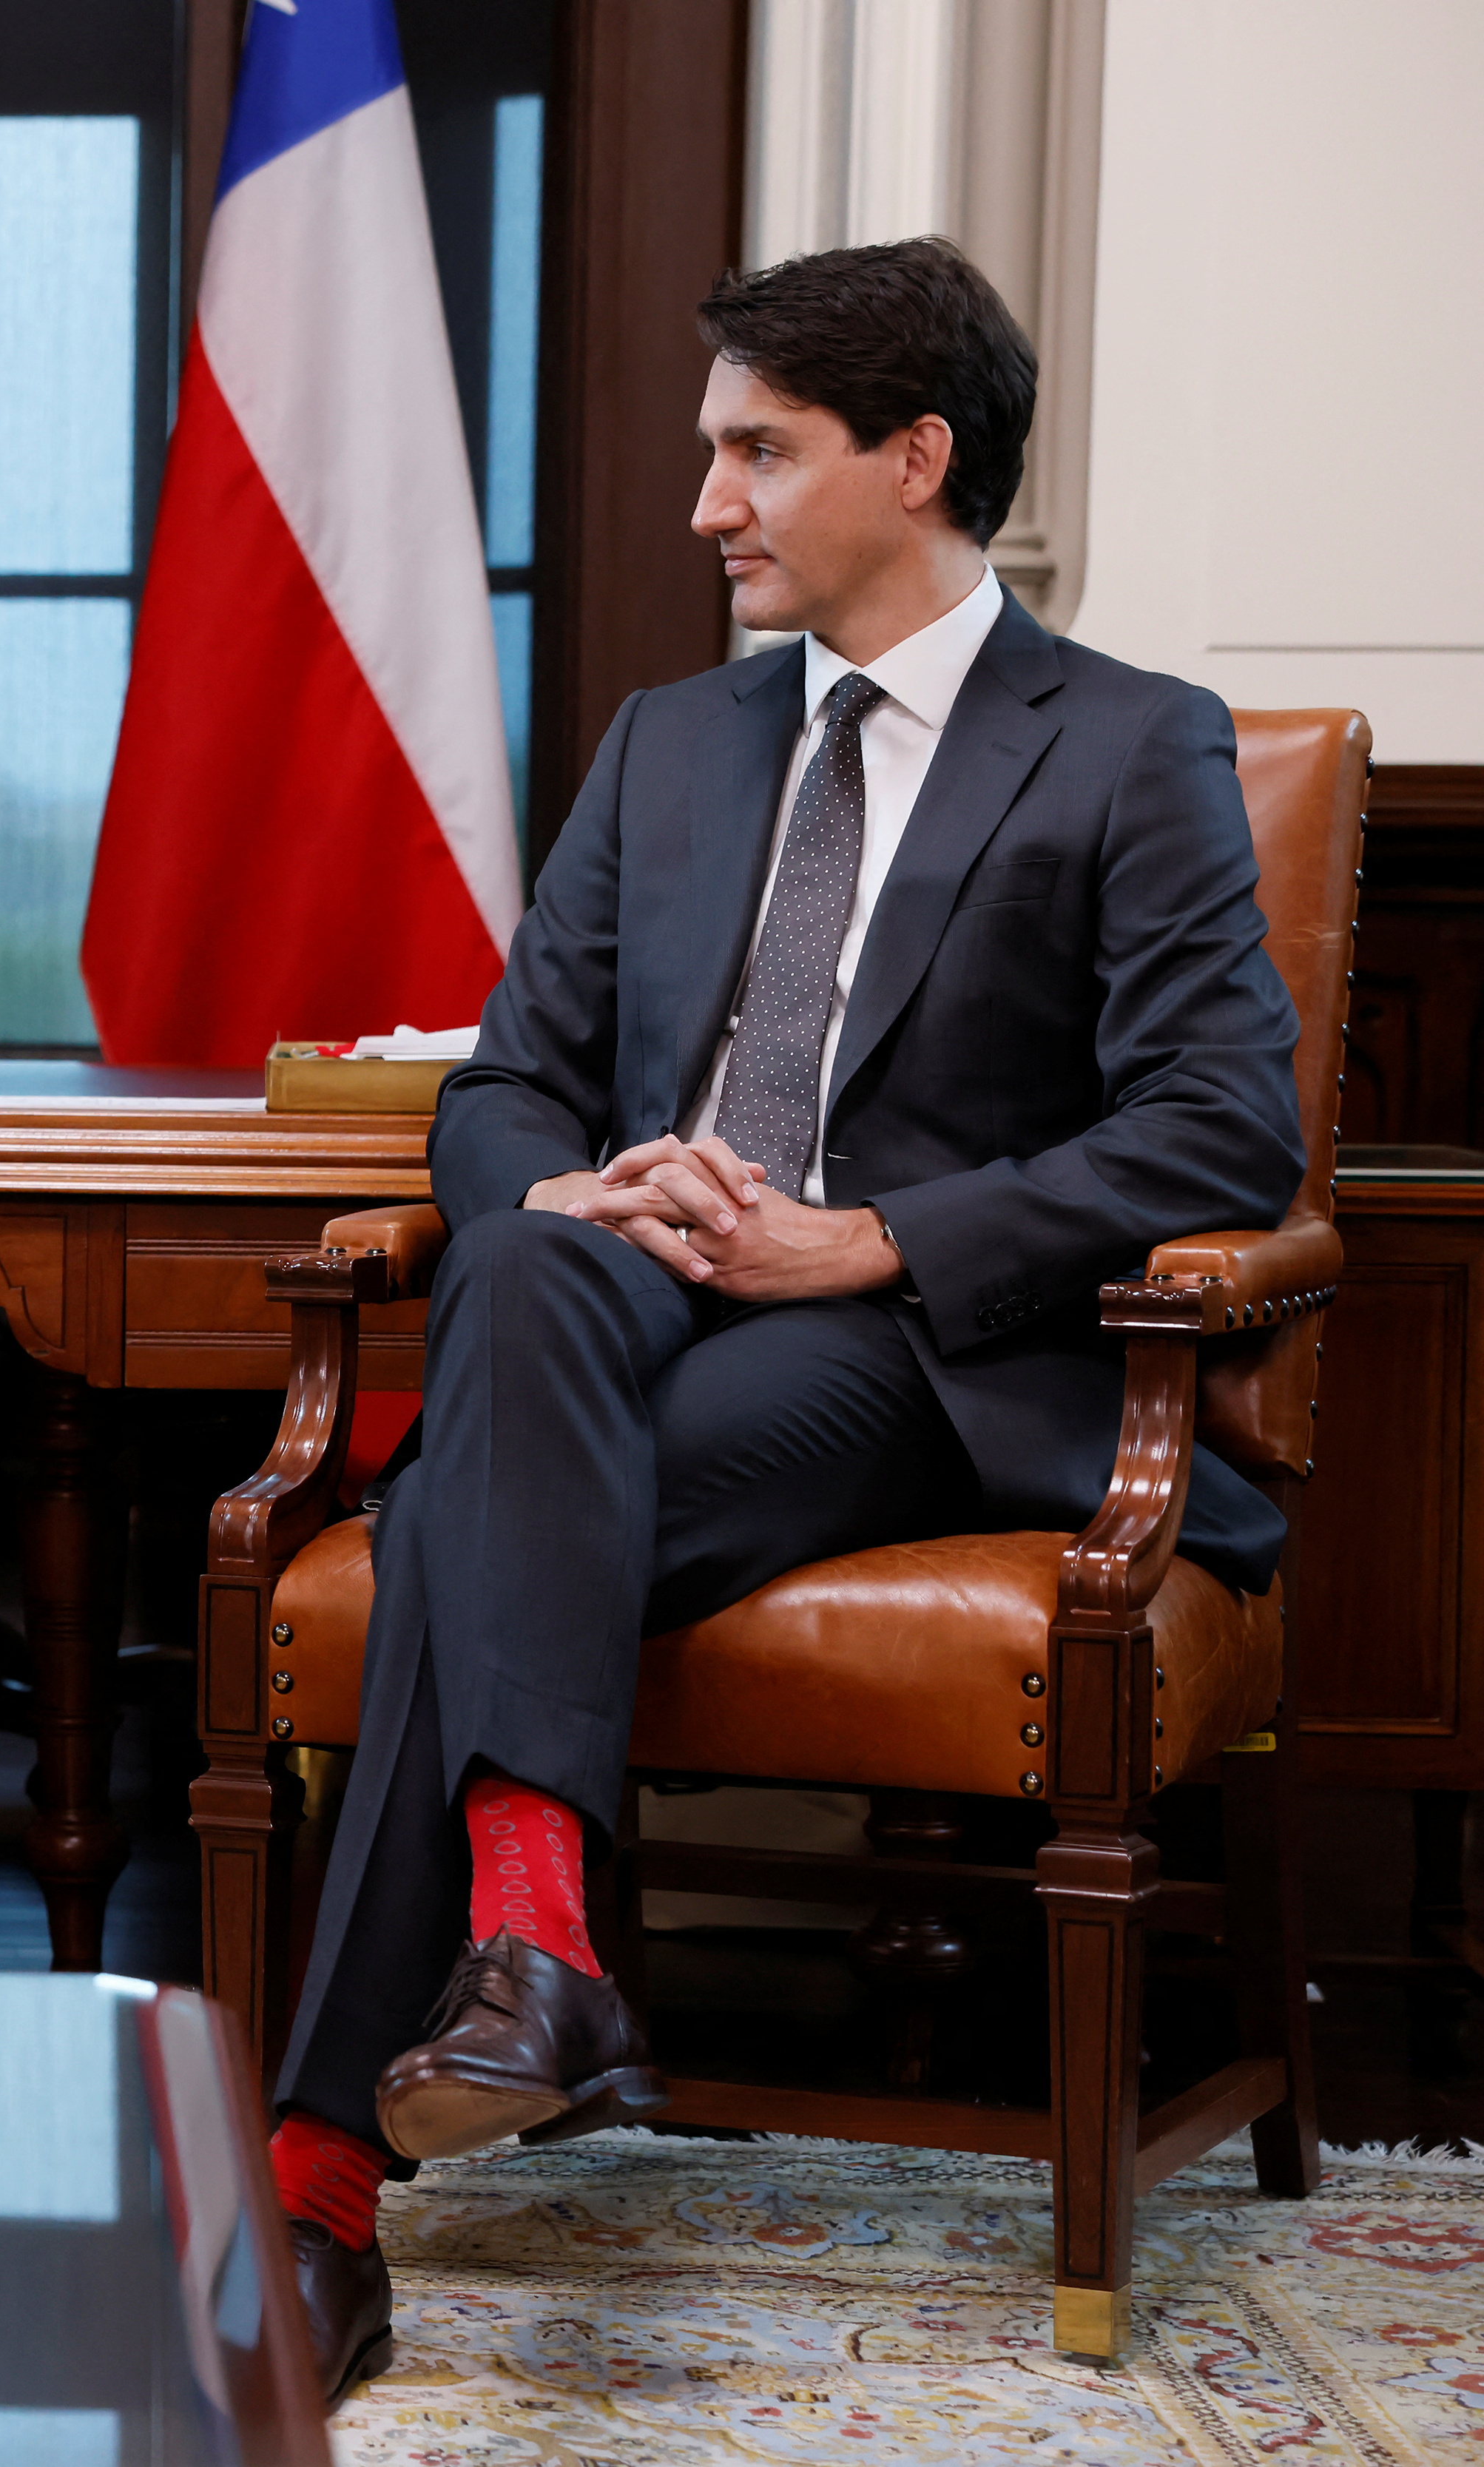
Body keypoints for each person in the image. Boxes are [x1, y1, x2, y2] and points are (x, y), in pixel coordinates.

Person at [262, 238, 1306, 2398]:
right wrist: (575, 1180)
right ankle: (534, 1956)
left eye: (761, 450)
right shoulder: (667, 745)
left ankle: (317, 2193)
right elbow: (505, 1084)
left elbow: (1223, 1126)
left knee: (463, 1520)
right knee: (536, 1250)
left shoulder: (1129, 749)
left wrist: (876, 1239)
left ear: (918, 461)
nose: (707, 505)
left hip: (920, 1359)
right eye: (714, 450)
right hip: (624, 1305)